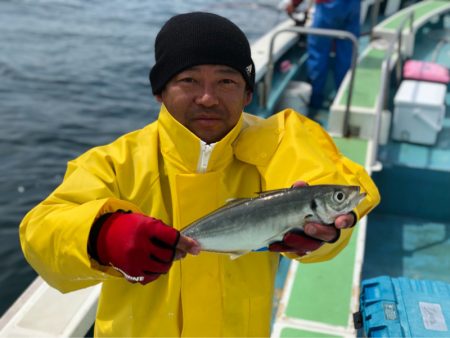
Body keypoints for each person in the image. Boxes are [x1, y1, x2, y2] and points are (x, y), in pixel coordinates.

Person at [19, 12, 379, 337]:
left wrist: (325, 237)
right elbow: (41, 233)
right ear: (160, 91)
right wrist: (100, 235)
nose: (208, 98)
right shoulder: (117, 161)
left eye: (226, 82)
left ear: (248, 93)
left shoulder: (280, 141)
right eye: (189, 80)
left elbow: (332, 181)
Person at [283, 0, 361, 111]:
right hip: (353, 6)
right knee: (346, 57)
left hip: (327, 7)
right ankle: (343, 103)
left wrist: (293, 4)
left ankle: (315, 101)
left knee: (318, 54)